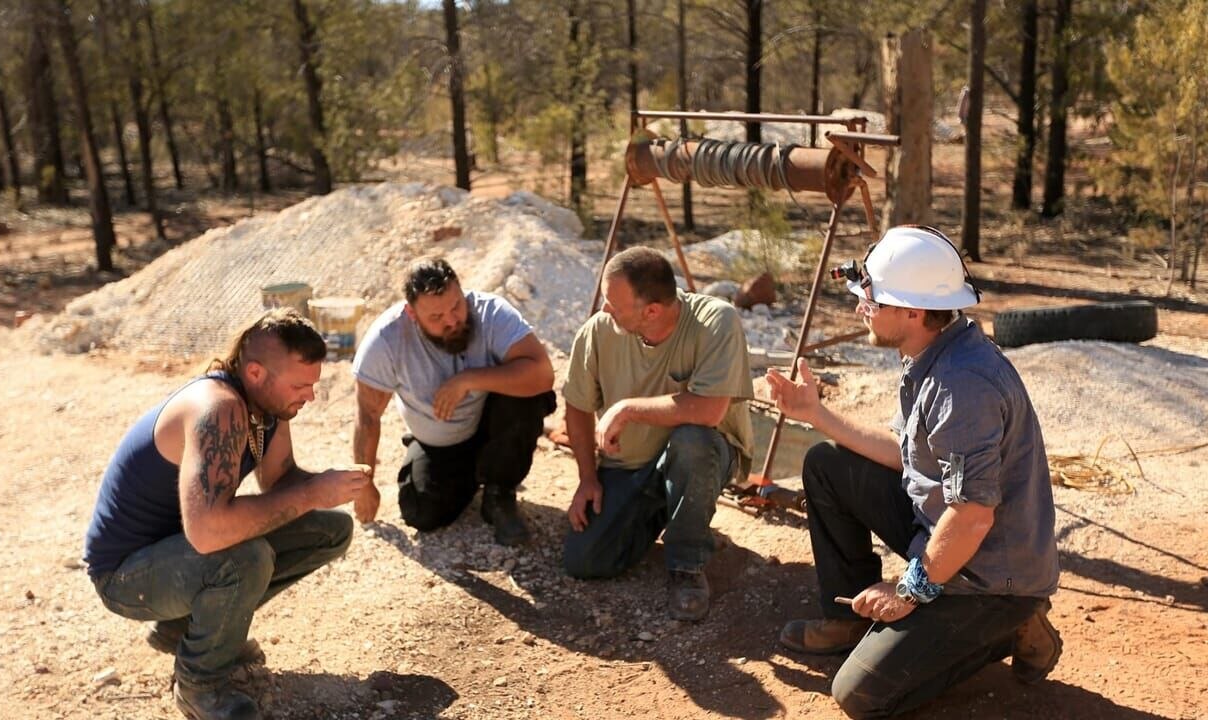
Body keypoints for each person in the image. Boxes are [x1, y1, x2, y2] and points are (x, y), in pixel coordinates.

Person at [767, 226, 1062, 718]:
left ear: (913, 312)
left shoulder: (961, 384)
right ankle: (850, 620)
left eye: (873, 298)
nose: (862, 305)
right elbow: (910, 458)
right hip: (948, 533)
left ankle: (1012, 626)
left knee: (859, 695)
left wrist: (909, 590)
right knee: (827, 464)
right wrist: (816, 415)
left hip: (988, 575)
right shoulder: (934, 351)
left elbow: (972, 518)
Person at [84, 308, 369, 720]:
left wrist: (329, 485)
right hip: (125, 575)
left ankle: (186, 629)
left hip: (178, 556)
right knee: (244, 560)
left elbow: (280, 480)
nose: (310, 396)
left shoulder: (266, 406)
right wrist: (310, 493)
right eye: (300, 385)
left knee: (329, 530)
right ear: (255, 373)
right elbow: (208, 532)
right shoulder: (217, 409)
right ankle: (199, 686)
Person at [561, 247, 754, 621]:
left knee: (692, 441)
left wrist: (627, 408)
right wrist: (587, 478)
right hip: (629, 465)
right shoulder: (599, 331)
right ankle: (667, 512)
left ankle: (686, 564)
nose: (604, 310)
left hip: (703, 455)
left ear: (651, 311)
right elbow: (577, 405)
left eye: (614, 304)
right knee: (584, 561)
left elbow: (709, 410)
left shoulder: (716, 322)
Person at [350, 257, 556, 546]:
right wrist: (364, 484)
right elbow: (368, 415)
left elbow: (543, 374)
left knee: (527, 395)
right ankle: (469, 471)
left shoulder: (491, 313)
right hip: (440, 444)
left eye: (456, 306)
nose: (452, 320)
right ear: (411, 313)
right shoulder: (387, 339)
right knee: (421, 513)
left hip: (488, 425)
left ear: (461, 291)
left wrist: (470, 379)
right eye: (436, 317)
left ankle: (499, 492)